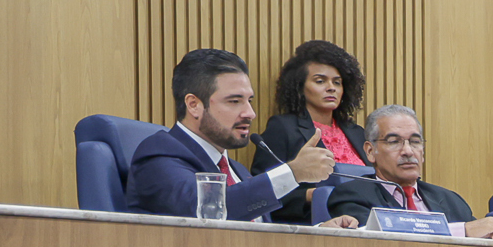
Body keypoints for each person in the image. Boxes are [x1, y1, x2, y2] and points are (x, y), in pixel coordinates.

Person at [128, 48, 347, 224]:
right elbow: (207, 213)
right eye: (234, 101)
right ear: (194, 105)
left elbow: (260, 236)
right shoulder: (159, 154)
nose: (250, 113)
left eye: (249, 101)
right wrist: (292, 173)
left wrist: (319, 233)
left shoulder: (238, 171)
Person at [326, 106, 493, 239]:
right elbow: (382, 237)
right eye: (394, 142)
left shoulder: (451, 200)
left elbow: (476, 239)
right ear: (370, 151)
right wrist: (462, 230)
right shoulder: (351, 195)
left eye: (415, 142)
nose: (408, 151)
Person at [252, 41, 371, 217]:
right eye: (320, 81)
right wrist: (311, 195)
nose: (331, 88)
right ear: (300, 87)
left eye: (337, 82)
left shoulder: (358, 133)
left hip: (365, 218)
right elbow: (262, 191)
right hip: (315, 222)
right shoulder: (283, 128)